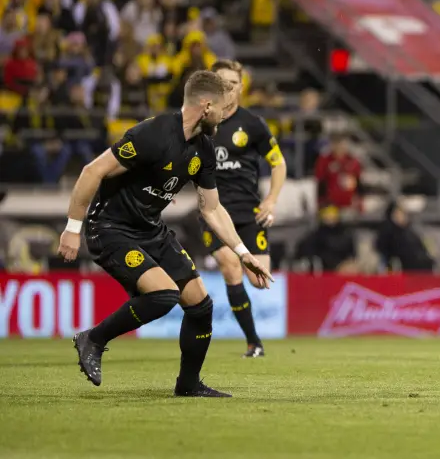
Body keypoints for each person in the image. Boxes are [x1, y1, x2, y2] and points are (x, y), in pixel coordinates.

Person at [57, 70, 273, 397]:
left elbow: (212, 209)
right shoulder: (153, 134)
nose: (225, 115)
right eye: (221, 108)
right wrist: (73, 228)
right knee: (164, 295)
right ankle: (93, 338)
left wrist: (243, 254)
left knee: (200, 304)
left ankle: (188, 385)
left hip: (150, 229)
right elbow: (93, 171)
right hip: (110, 228)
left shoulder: (203, 150)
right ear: (205, 106)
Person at [198, 59, 286, 358]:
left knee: (260, 281)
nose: (228, 90)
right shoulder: (200, 123)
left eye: (232, 84)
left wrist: (271, 200)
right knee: (231, 265)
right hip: (213, 211)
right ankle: (253, 342)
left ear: (241, 87)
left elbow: (278, 164)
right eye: (221, 84)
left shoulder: (252, 124)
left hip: (249, 213)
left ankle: (253, 340)